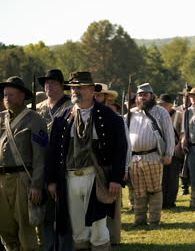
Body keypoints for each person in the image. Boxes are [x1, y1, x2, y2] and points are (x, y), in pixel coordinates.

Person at [46, 71, 127, 251]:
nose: (76, 91)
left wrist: (115, 178)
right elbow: (52, 152)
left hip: (96, 178)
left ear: (92, 90)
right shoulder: (63, 118)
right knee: (78, 230)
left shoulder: (109, 117)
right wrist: (51, 180)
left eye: (80, 87)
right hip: (70, 178)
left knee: (98, 230)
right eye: (73, 88)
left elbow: (120, 150)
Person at [0, 76, 48, 251]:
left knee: (25, 228)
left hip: (22, 179)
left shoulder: (34, 120)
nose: (7, 99)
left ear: (22, 96)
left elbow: (40, 156)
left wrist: (36, 185)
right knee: (4, 226)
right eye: (5, 95)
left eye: (11, 95)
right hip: (2, 181)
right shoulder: (1, 119)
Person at [36, 69, 74, 251]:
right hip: (39, 163)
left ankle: (65, 246)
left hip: (63, 163)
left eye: (52, 83)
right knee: (44, 212)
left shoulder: (70, 106)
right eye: (46, 83)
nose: (48, 86)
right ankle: (48, 246)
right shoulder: (38, 108)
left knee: (64, 211)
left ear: (62, 85)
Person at [126, 84, 174, 225]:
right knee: (138, 191)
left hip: (154, 156)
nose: (142, 97)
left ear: (152, 96)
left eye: (145, 94)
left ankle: (154, 220)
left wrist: (169, 154)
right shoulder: (131, 113)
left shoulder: (161, 112)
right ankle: (139, 219)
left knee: (154, 190)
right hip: (135, 158)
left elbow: (169, 134)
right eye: (140, 95)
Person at [158, 93, 183, 209]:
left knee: (173, 178)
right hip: (161, 151)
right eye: (160, 105)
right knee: (161, 178)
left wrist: (178, 146)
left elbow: (183, 133)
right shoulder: (157, 116)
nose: (162, 107)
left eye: (164, 105)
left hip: (175, 150)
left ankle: (170, 202)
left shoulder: (179, 115)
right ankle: (161, 201)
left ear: (169, 105)